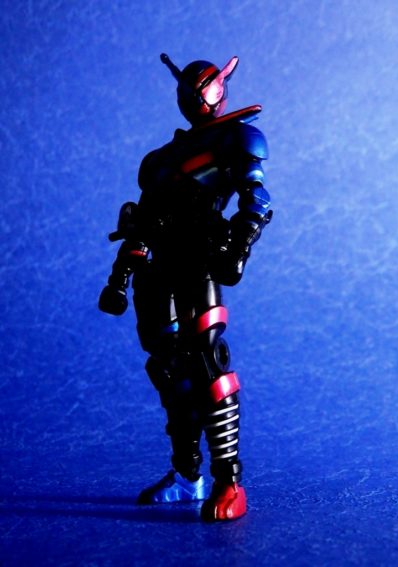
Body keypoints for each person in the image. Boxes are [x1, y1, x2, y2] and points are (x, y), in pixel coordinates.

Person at [99, 53, 272, 521]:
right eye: (190, 90)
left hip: (201, 262)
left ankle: (229, 482)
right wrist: (119, 277)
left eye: (206, 88)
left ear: (220, 88)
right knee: (169, 371)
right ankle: (186, 474)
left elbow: (256, 199)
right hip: (160, 270)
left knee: (208, 361)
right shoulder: (159, 161)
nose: (198, 97)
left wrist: (239, 247)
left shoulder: (236, 138)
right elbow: (142, 223)